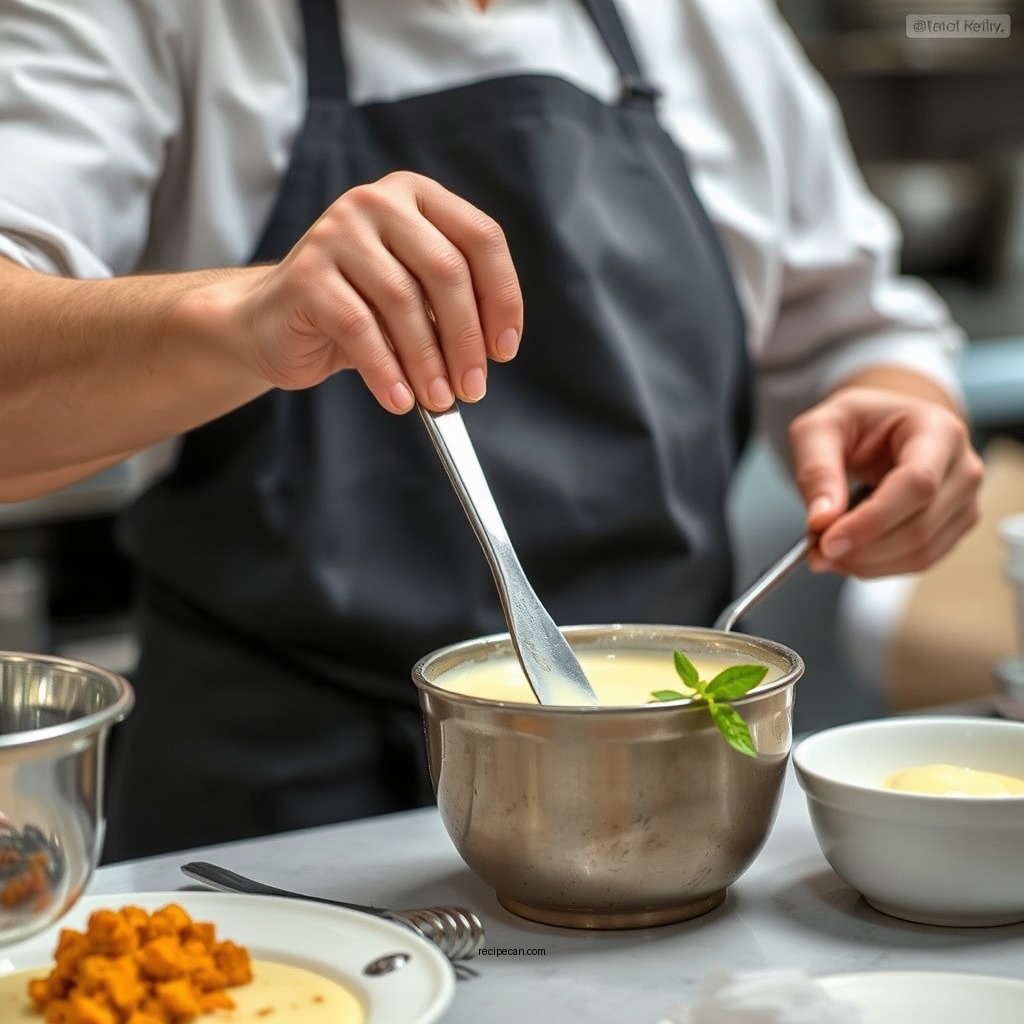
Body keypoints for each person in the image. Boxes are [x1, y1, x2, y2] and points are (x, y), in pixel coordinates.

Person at [0, 0, 982, 861]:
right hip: (266, 799)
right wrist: (245, 315)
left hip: (654, 787)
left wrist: (899, 407)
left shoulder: (707, 21)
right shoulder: (144, 15)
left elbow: (853, 325)